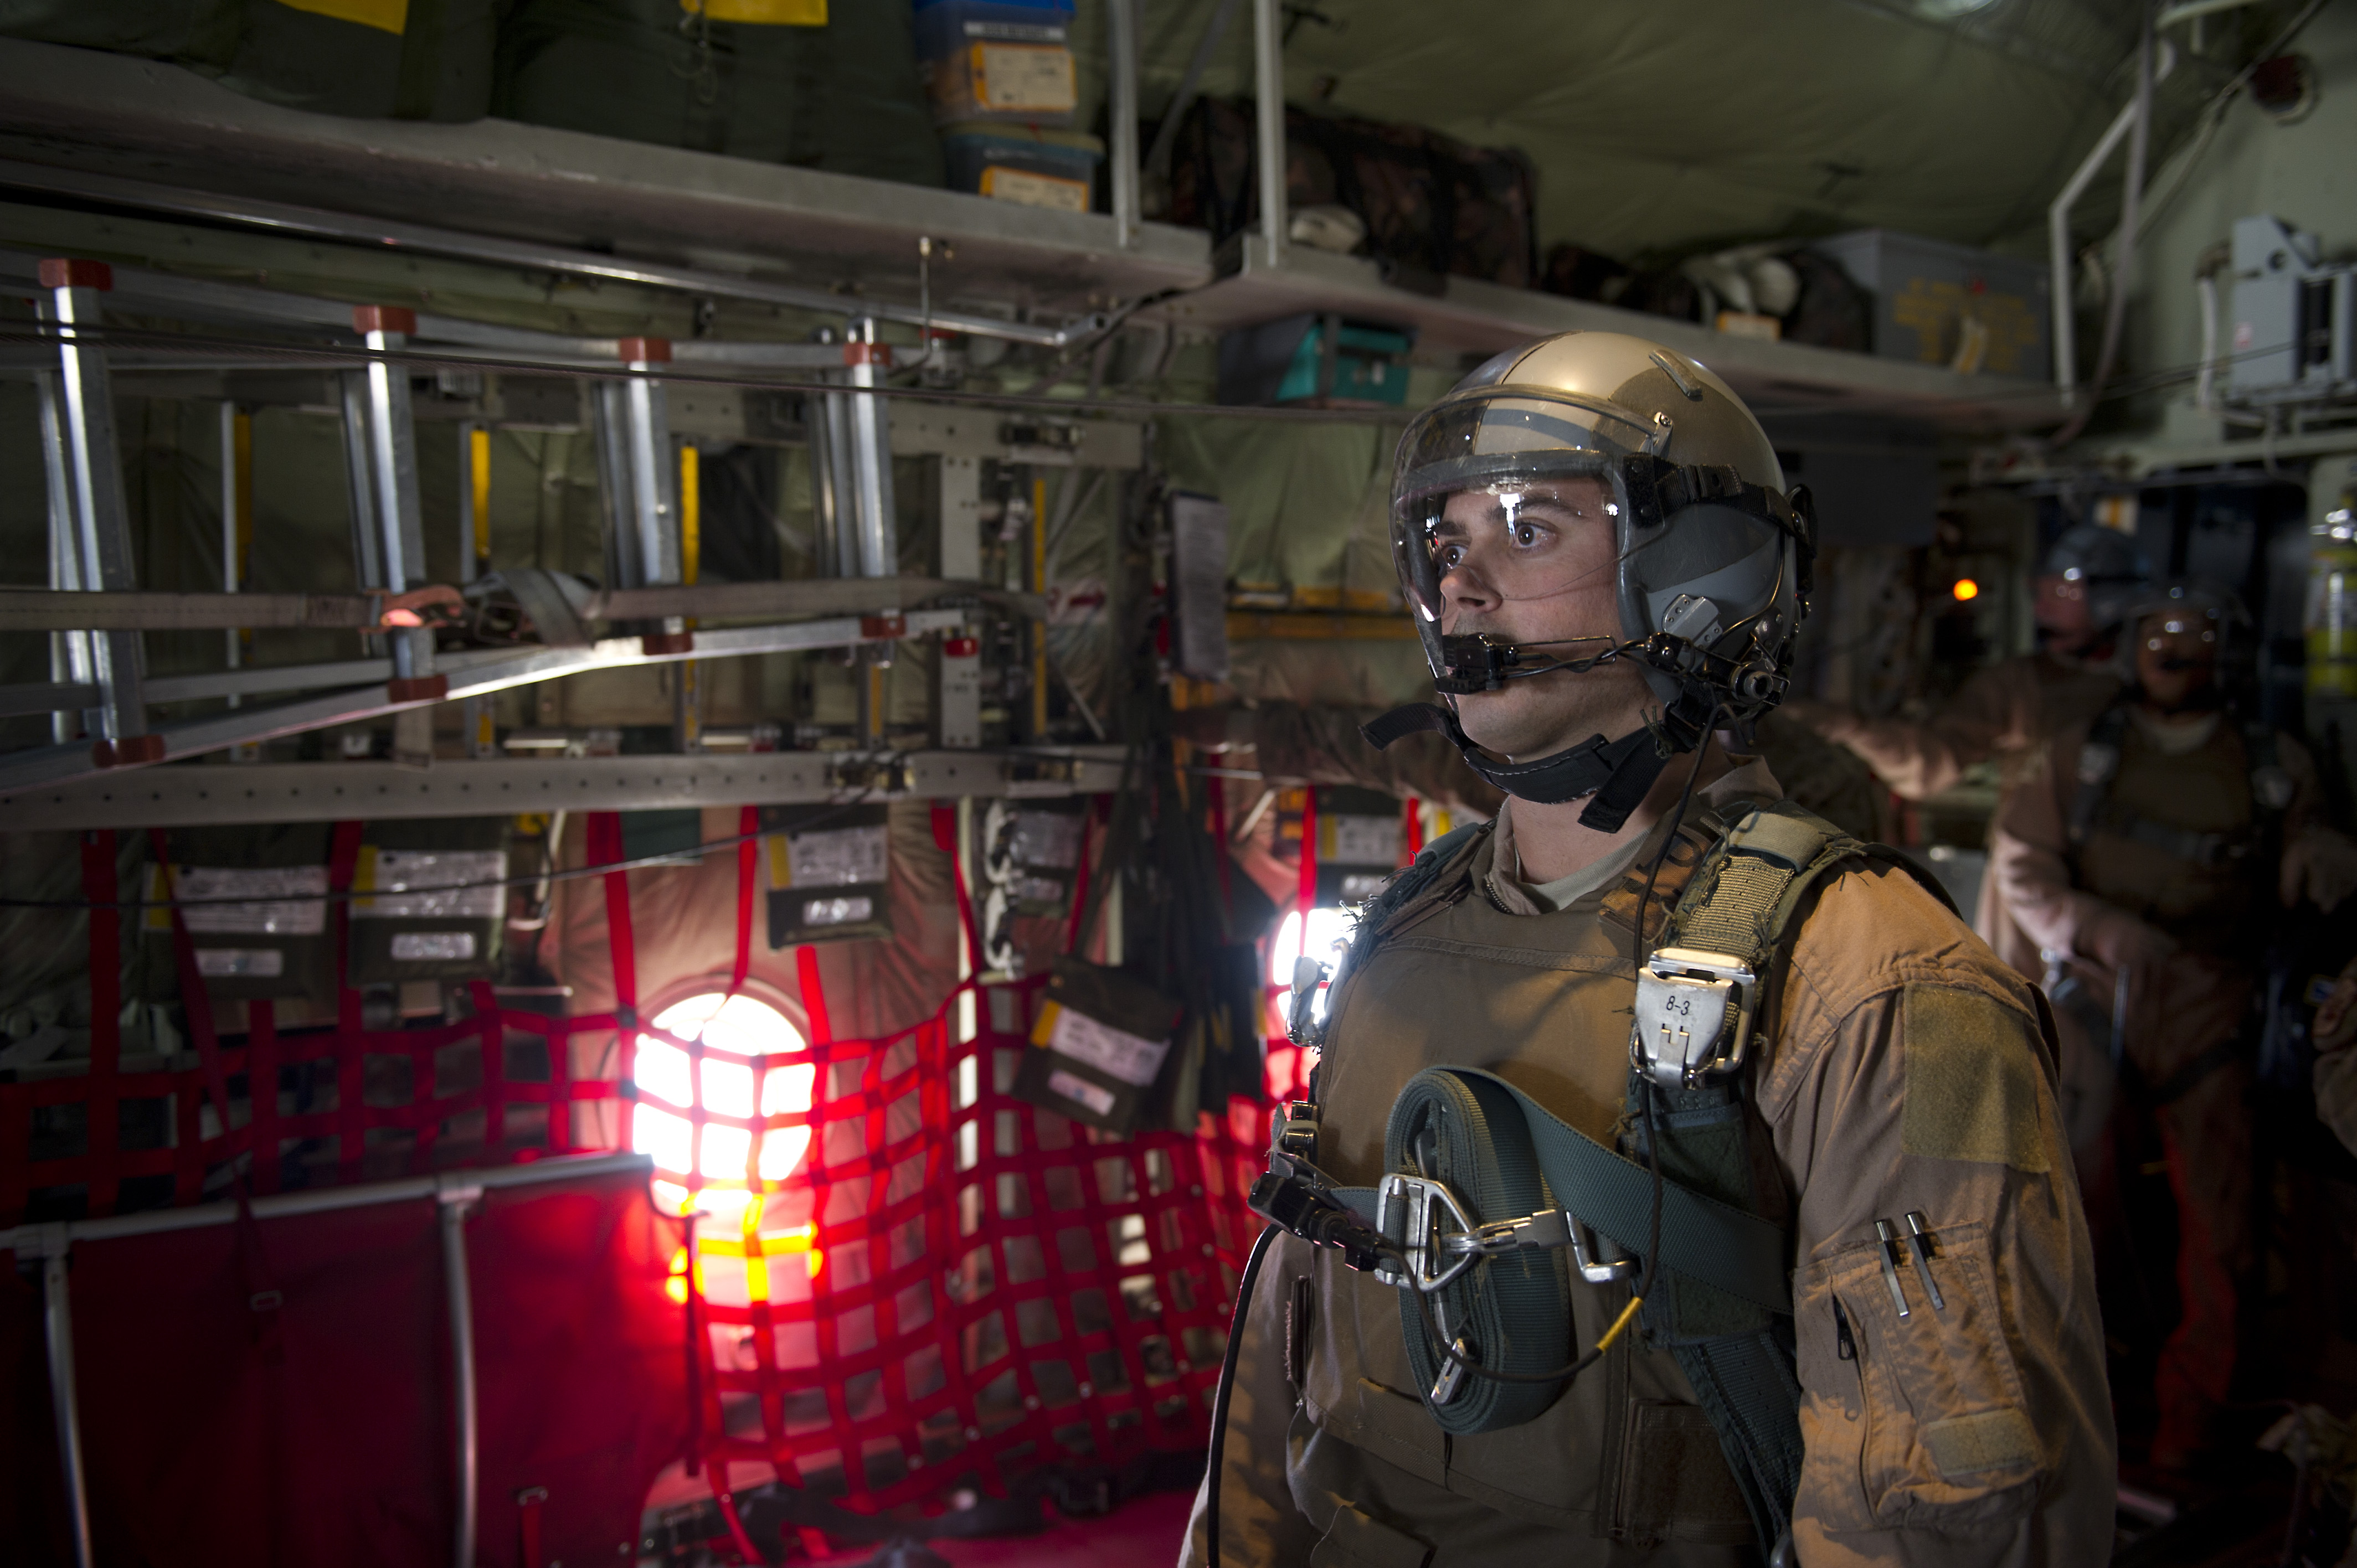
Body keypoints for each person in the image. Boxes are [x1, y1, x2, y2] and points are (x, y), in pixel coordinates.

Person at [1186, 329, 2114, 1568]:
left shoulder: (1882, 988)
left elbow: (1951, 1505)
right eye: (1443, 539)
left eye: (1527, 528)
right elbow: (1280, 1370)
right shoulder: (1404, 933)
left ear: (1694, 572)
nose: (1458, 586)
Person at [1993, 582, 2357, 1471]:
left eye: (2194, 642)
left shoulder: (2271, 764)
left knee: (2222, 1238)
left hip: (2211, 1014)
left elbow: (2312, 852)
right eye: (2162, 640)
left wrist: (2321, 854)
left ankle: (2186, 1437)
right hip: (2093, 1006)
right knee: (2069, 1214)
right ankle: (2070, 1416)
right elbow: (2021, 865)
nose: (2176, 657)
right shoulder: (2079, 758)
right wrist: (2093, 925)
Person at [1782, 524, 2147, 978]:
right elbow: (1931, 766)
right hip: (2037, 883)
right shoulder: (2023, 686)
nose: (2042, 599)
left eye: (2062, 589)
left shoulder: (2148, 691)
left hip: (2129, 883)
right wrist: (1852, 728)